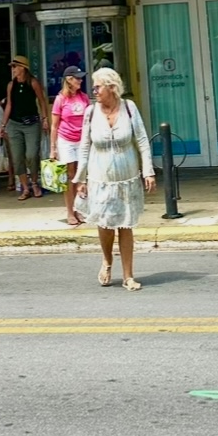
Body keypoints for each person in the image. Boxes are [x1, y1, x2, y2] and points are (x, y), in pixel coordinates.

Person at [74, 68, 155, 290]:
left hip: (127, 178)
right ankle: (107, 260)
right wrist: (80, 179)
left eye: (98, 86)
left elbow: (142, 140)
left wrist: (148, 171)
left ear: (111, 87)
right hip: (100, 179)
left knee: (126, 225)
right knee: (105, 224)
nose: (94, 91)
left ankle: (128, 276)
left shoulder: (129, 108)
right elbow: (84, 146)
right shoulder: (91, 112)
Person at [0, 55, 51, 200]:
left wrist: (45, 119)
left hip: (32, 123)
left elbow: (41, 101)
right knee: (17, 157)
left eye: (15, 67)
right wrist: (3, 125)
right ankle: (25, 188)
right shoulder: (11, 85)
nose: (13, 70)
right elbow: (9, 105)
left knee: (32, 154)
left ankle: (34, 183)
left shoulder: (33, 83)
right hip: (15, 124)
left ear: (23, 68)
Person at [50, 66, 90, 226]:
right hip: (66, 140)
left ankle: (79, 208)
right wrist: (53, 148)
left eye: (81, 78)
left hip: (82, 140)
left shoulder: (84, 97)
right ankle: (70, 211)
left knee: (81, 176)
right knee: (69, 176)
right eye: (77, 78)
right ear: (69, 79)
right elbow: (54, 125)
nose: (80, 80)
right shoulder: (60, 99)